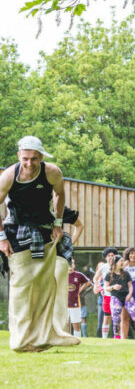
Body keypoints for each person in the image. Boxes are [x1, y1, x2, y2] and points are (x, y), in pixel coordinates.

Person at [0, 136, 79, 352]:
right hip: (16, 229)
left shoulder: (52, 172)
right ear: (19, 156)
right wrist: (2, 238)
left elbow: (60, 195)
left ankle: (47, 335)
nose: (29, 163)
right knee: (22, 286)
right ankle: (20, 340)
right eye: (25, 158)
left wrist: (58, 223)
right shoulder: (9, 176)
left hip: (44, 228)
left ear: (41, 157)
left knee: (45, 284)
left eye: (34, 159)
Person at [104, 255, 135, 340]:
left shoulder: (126, 274)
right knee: (116, 318)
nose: (123, 263)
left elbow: (130, 286)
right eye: (121, 261)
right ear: (116, 263)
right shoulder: (109, 275)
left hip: (127, 296)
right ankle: (117, 336)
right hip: (116, 297)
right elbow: (106, 288)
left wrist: (130, 294)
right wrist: (113, 287)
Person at [93, 247, 117, 338]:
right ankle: (104, 338)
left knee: (117, 318)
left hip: (117, 296)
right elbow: (95, 279)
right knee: (106, 317)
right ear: (105, 257)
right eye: (108, 256)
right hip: (107, 295)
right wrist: (100, 287)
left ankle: (117, 337)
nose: (111, 257)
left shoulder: (119, 265)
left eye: (112, 255)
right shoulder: (103, 267)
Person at [67, 257, 91, 338]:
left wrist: (80, 289)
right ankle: (67, 340)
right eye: (68, 263)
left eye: (72, 263)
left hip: (75, 304)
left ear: (74, 265)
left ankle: (78, 339)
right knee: (66, 324)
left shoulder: (79, 275)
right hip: (63, 304)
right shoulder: (61, 274)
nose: (70, 264)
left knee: (76, 323)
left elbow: (88, 281)